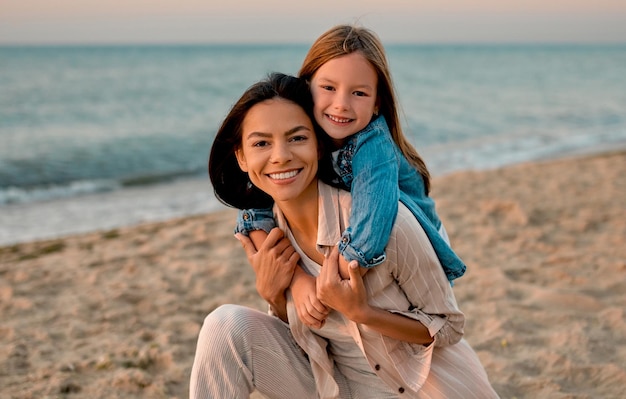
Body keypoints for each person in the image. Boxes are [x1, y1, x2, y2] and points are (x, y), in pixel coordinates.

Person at [192, 72, 498, 398]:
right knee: (224, 325)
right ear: (241, 157)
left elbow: (449, 326)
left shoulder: (383, 224)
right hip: (336, 385)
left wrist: (362, 312)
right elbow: (306, 334)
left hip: (424, 388)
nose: (280, 155)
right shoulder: (267, 236)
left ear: (320, 145)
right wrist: (274, 295)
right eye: (261, 143)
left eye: (297, 138)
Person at [235, 24, 465, 293]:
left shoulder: (373, 146)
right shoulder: (302, 132)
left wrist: (330, 285)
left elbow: (372, 223)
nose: (341, 103)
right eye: (329, 87)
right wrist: (297, 280)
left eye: (359, 93)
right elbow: (256, 197)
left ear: (377, 102)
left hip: (420, 246)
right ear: (307, 87)